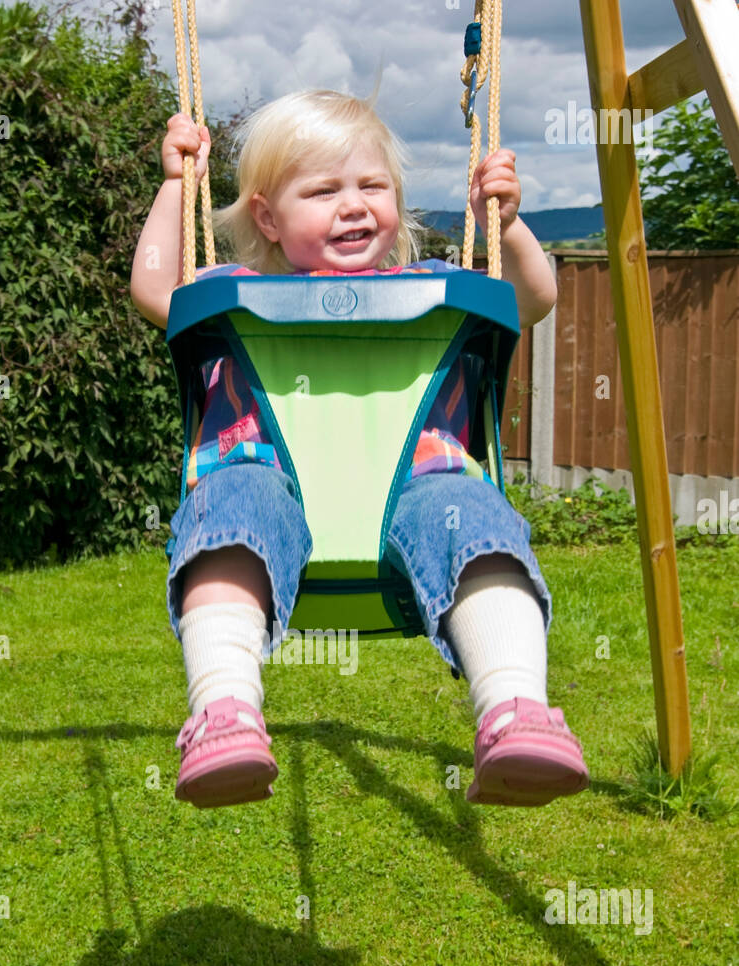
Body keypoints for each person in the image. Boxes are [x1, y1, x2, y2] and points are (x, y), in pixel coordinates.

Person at [130, 88, 589, 809]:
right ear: (267, 218)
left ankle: (515, 710)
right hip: (267, 489)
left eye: (373, 186)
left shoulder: (433, 286)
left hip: (419, 495)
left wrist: (508, 224)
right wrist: (172, 186)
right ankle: (225, 713)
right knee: (230, 512)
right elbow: (153, 285)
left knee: (474, 519)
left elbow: (531, 296)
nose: (354, 204)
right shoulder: (233, 290)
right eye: (323, 190)